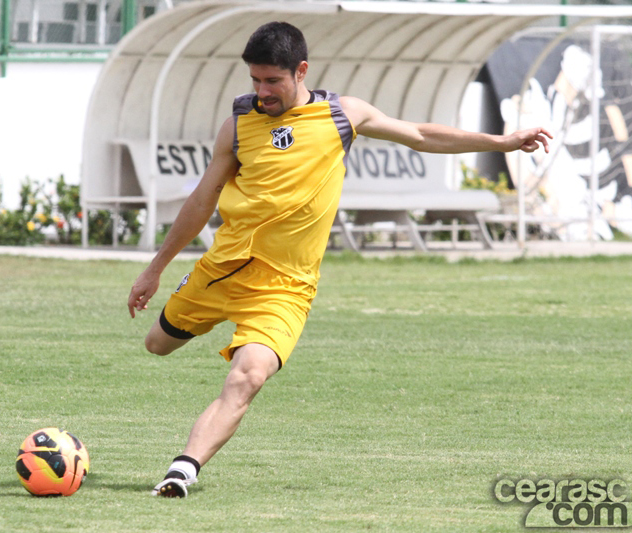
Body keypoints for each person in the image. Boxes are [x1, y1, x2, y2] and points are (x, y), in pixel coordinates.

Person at [128, 21, 551, 498]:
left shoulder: (341, 115)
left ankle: (182, 470)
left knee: (247, 377)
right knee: (156, 345)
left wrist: (501, 142)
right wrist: (155, 267)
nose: (261, 91)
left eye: (273, 81)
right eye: (255, 80)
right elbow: (202, 201)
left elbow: (418, 134)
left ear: (301, 70)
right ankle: (185, 387)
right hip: (222, 269)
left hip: (285, 289)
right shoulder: (238, 127)